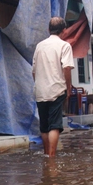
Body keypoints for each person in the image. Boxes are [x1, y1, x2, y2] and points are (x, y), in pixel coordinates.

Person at [32, 17, 74, 157]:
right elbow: (67, 68)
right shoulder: (64, 46)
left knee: (44, 126)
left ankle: (45, 153)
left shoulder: (39, 46)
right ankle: (51, 157)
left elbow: (33, 71)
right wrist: (68, 87)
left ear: (48, 30)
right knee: (54, 125)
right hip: (57, 90)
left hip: (40, 90)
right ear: (64, 30)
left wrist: (39, 84)